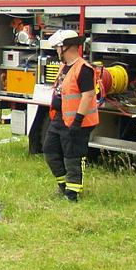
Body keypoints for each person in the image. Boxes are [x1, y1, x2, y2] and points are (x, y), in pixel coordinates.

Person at [42, 29, 98, 202]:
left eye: (58, 48)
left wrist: (77, 121)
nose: (57, 51)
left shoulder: (83, 69)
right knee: (50, 151)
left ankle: (72, 194)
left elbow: (88, 95)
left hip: (76, 121)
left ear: (65, 47)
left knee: (72, 156)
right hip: (59, 118)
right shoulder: (65, 67)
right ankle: (63, 186)